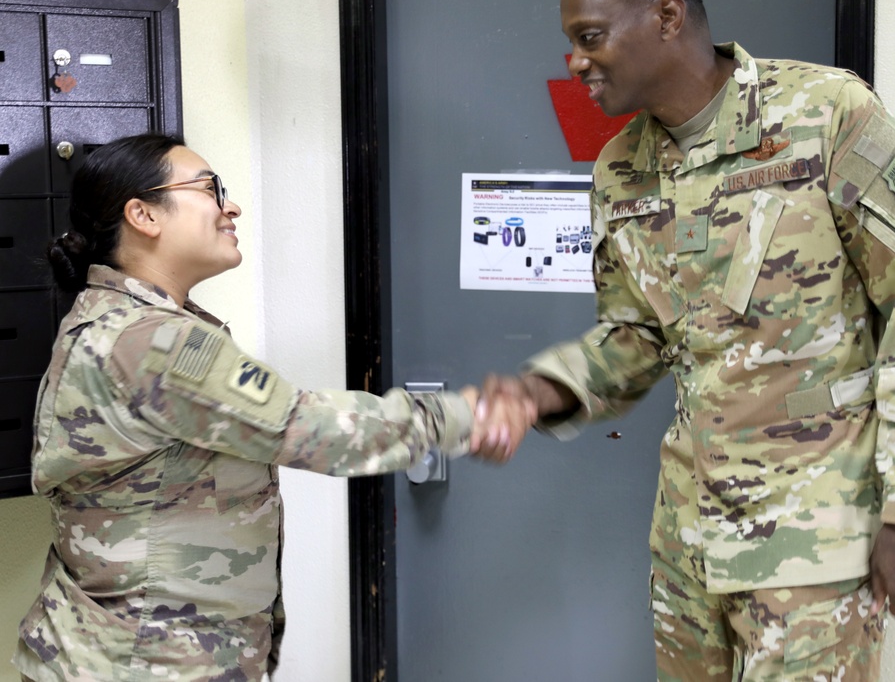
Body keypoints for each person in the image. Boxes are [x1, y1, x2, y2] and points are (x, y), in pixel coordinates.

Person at [479, 0, 895, 681]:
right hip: (688, 544)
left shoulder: (825, 114)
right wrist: (539, 390)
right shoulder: (621, 170)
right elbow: (635, 338)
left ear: (668, 16)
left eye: (590, 37)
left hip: (814, 543)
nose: (575, 62)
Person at [13, 133, 533, 682]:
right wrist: (462, 415)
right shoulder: (152, 343)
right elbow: (307, 426)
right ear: (143, 214)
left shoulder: (116, 321)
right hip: (144, 662)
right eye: (211, 189)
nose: (230, 205)